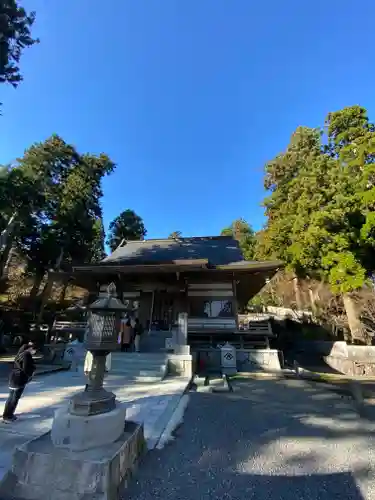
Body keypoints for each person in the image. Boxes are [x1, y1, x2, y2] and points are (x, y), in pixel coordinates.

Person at [2, 342, 36, 423]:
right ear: (30, 349)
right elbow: (26, 368)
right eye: (34, 350)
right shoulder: (27, 355)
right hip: (19, 379)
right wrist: (31, 374)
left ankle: (6, 414)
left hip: (13, 377)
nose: (34, 352)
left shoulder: (19, 354)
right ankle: (8, 416)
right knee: (15, 398)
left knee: (11, 397)